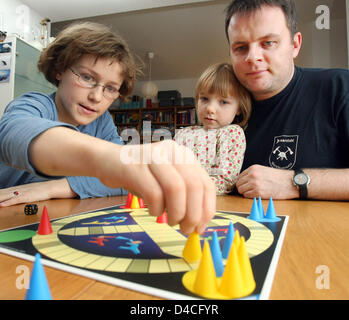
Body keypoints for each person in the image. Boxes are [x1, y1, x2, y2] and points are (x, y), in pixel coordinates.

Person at [0, 22, 216, 235]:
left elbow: (120, 184)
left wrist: (52, 188)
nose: (96, 97)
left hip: (48, 223)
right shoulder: (34, 104)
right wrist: (114, 160)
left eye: (110, 88)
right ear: (59, 70)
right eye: (86, 77)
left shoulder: (101, 121)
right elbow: (14, 133)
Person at [225, 0, 349, 200]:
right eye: (240, 47)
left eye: (268, 43)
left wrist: (294, 182)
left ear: (295, 45)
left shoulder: (340, 87)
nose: (253, 57)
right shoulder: (225, 111)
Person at [174, 62, 251, 194]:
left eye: (223, 102)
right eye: (204, 99)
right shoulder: (183, 133)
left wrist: (190, 187)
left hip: (210, 202)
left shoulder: (232, 134)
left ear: (239, 108)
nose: (210, 108)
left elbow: (226, 179)